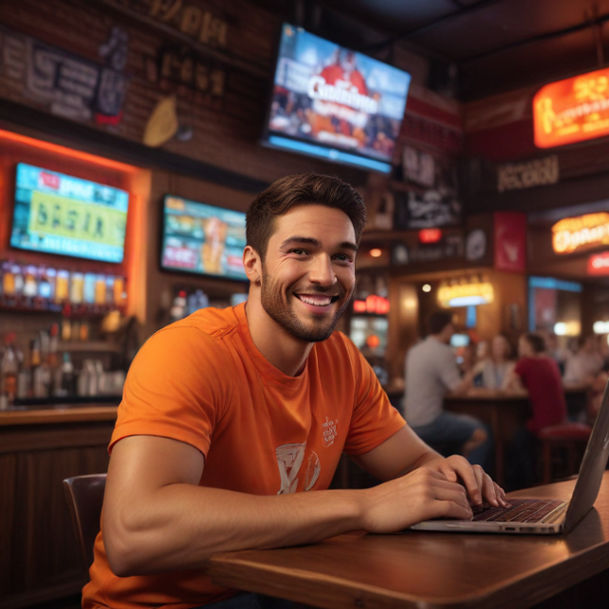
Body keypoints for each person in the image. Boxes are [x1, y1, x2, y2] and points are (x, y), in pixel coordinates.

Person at [83, 174, 507, 609]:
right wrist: (363, 507)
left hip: (282, 586)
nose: (325, 276)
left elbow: (415, 462)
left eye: (342, 257)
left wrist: (452, 481)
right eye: (300, 251)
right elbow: (132, 537)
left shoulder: (342, 360)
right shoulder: (188, 351)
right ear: (253, 264)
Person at [402, 311, 491, 466]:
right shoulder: (443, 351)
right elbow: (458, 389)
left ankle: (453, 472)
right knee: (481, 432)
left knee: (457, 438)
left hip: (409, 422)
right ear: (448, 328)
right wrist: (472, 368)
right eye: (452, 327)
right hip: (429, 422)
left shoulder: (414, 350)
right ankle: (470, 484)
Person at [504, 332, 567, 488]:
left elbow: (507, 386)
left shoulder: (525, 362)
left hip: (543, 422)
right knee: (522, 436)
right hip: (561, 419)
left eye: (520, 345)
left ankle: (524, 484)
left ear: (527, 347)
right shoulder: (550, 362)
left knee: (515, 438)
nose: (519, 348)